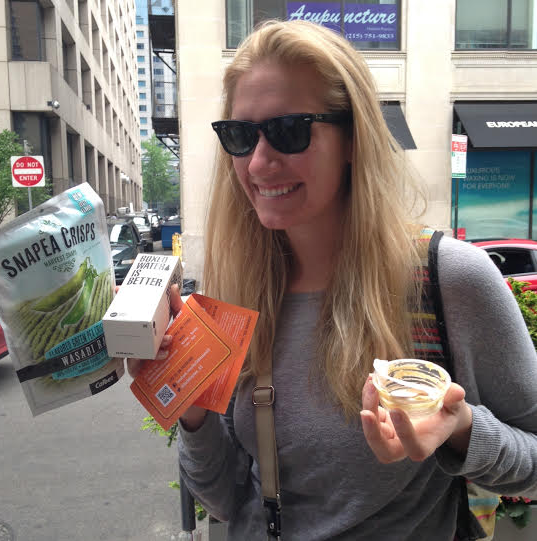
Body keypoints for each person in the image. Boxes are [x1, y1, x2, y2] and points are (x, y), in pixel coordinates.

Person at [129, 20, 537, 540]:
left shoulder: (450, 280)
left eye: (289, 130)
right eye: (240, 135)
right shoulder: (234, 291)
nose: (259, 162)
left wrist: (460, 429)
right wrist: (190, 408)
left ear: (352, 138)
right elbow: (227, 499)